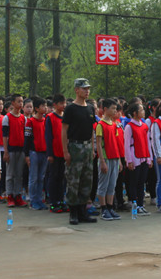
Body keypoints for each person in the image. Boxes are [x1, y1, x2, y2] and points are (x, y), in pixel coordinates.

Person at [62, 79, 97, 225]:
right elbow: (64, 130)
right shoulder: (70, 108)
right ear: (76, 90)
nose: (87, 91)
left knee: (86, 181)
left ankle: (83, 212)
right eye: (84, 89)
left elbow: (91, 130)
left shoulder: (90, 108)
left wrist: (92, 148)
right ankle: (73, 213)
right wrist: (65, 151)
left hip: (87, 147)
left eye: (88, 89)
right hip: (75, 147)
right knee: (73, 180)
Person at [95, 98, 122, 221]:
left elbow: (115, 143)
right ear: (105, 109)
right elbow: (99, 144)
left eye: (116, 109)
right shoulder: (100, 125)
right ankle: (103, 208)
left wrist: (119, 160)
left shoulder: (114, 124)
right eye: (113, 108)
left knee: (112, 184)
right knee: (103, 184)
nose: (115, 111)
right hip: (105, 158)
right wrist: (102, 161)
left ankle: (110, 207)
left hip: (114, 157)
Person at [123, 102, 152, 215]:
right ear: (135, 113)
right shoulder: (129, 127)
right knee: (134, 182)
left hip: (144, 156)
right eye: (141, 110)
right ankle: (134, 204)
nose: (143, 112)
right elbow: (126, 145)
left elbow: (148, 142)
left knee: (141, 183)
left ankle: (140, 205)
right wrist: (129, 160)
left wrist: (149, 158)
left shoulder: (144, 126)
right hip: (135, 157)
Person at [25, 97, 48, 210]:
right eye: (43, 106)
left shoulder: (46, 121)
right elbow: (27, 138)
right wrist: (27, 155)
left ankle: (39, 199)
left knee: (41, 177)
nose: (45, 108)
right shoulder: (30, 122)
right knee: (33, 178)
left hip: (44, 152)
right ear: (37, 108)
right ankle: (33, 200)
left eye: (46, 106)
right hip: (34, 152)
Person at [45, 94, 66, 213]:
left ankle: (61, 200)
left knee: (62, 177)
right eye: (61, 103)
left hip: (64, 152)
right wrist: (50, 154)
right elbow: (48, 137)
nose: (63, 105)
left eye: (64, 103)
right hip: (55, 152)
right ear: (55, 105)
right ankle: (53, 202)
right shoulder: (50, 117)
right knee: (54, 177)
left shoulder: (65, 117)